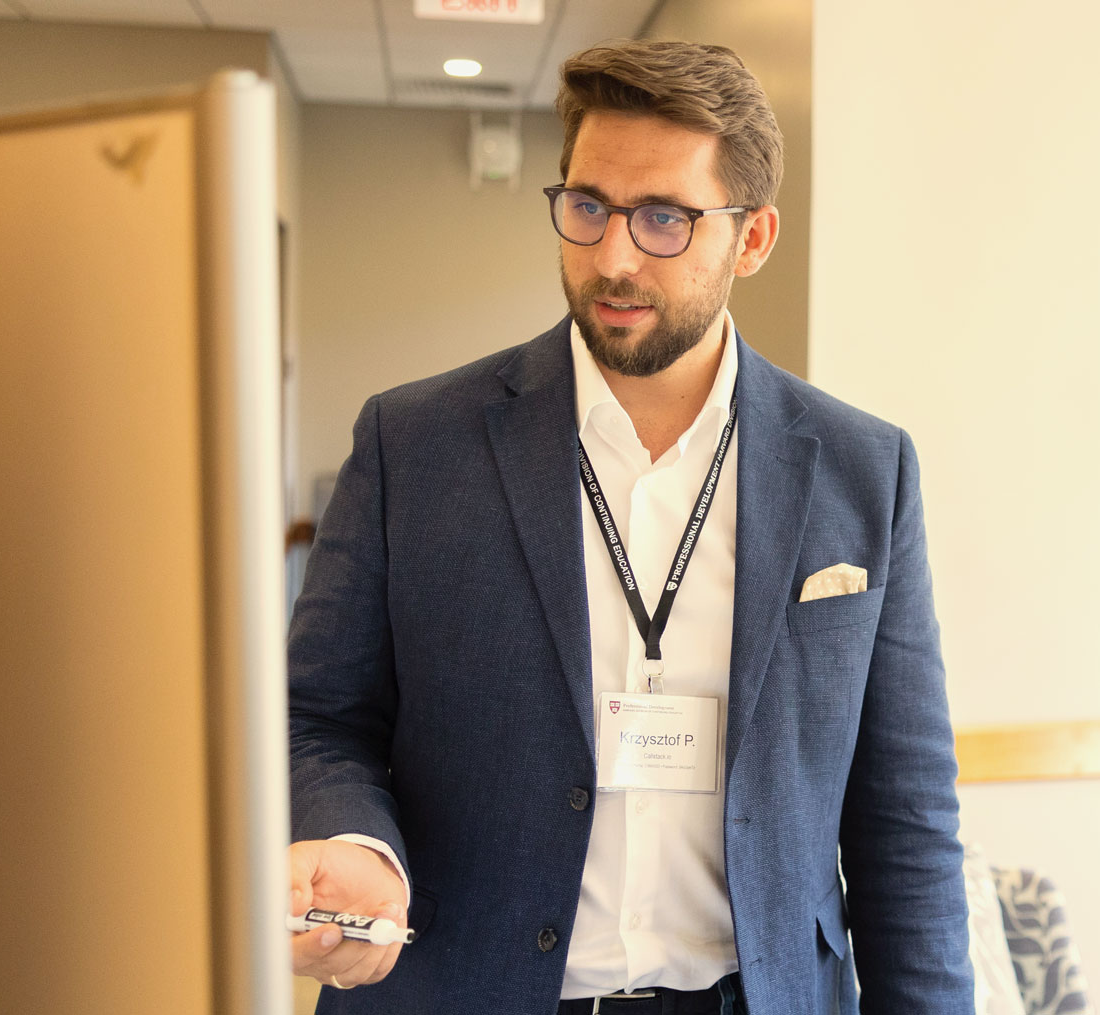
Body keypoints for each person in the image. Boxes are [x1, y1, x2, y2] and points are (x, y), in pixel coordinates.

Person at [288, 38, 973, 1015]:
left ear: (753, 237)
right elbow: (315, 713)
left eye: (663, 218)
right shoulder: (414, 443)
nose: (612, 256)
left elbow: (905, 822)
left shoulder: (864, 472)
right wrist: (358, 841)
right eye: (587, 206)